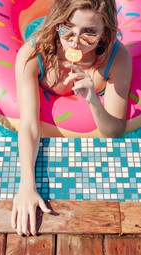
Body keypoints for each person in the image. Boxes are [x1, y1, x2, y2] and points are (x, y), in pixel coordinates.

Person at [12, 0, 132, 236]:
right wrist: (27, 184)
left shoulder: (116, 58)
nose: (75, 41)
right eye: (67, 28)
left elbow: (115, 131)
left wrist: (93, 100)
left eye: (89, 33)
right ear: (58, 21)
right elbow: (28, 124)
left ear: (104, 33)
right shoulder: (33, 55)